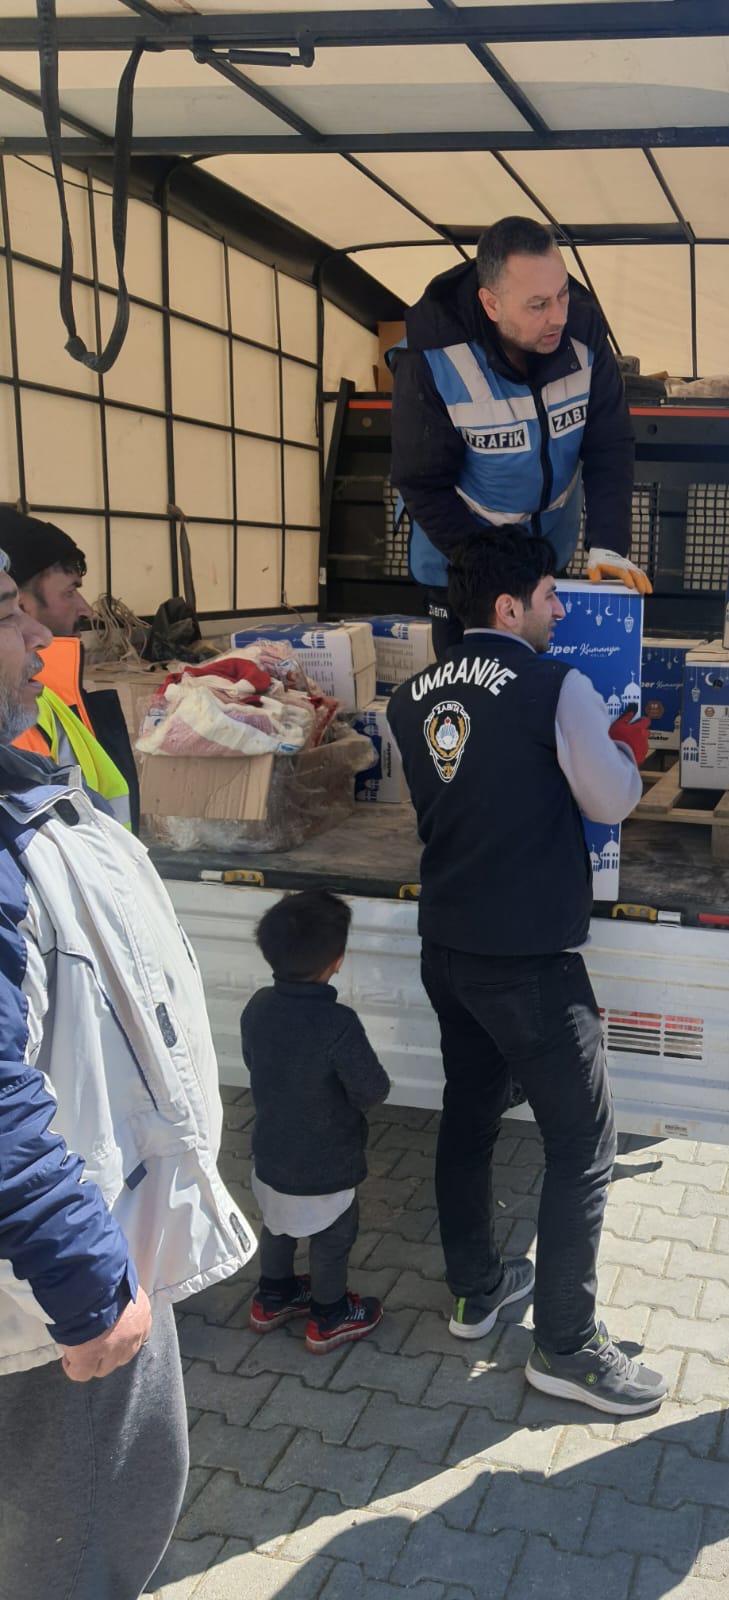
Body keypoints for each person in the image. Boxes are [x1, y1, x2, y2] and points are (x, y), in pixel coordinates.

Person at [0, 547, 254, 1598]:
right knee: (75, 1550)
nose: (38, 633)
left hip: (61, 1282)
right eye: (9, 613)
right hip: (47, 1312)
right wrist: (89, 1281)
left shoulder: (26, 767)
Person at [387, 527, 667, 1415]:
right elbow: (610, 799)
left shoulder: (410, 695)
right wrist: (626, 751)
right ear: (509, 607)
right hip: (529, 962)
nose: (560, 611)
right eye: (550, 596)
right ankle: (567, 1347)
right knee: (584, 1144)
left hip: (448, 946)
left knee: (469, 1116)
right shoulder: (557, 685)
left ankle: (477, 1292)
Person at [389, 215, 651, 657]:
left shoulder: (585, 333)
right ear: (491, 304)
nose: (558, 317)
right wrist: (494, 572)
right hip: (461, 559)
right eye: (538, 305)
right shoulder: (430, 357)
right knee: (474, 686)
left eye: (562, 294)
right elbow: (422, 483)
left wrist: (608, 544)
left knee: (541, 685)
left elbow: (609, 446)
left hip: (544, 553)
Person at [242, 888, 390, 1353]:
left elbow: (253, 1061)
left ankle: (273, 1296)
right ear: (337, 961)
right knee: (332, 1237)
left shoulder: (258, 1005)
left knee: (277, 1225)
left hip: (270, 1152)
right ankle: (329, 1316)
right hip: (327, 1163)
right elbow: (372, 1088)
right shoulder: (337, 1023)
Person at [0, 506, 139, 829]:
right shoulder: (15, 711)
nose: (86, 608)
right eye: (69, 591)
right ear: (22, 603)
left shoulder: (47, 698)